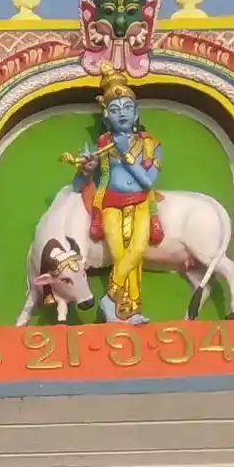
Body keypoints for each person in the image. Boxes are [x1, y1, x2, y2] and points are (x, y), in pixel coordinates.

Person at [61, 70, 161, 322]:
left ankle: (111, 299)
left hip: (140, 201)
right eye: (115, 110)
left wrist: (127, 155)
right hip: (110, 203)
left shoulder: (150, 144)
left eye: (127, 107)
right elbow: (80, 182)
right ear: (106, 116)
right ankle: (126, 312)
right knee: (119, 255)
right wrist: (87, 168)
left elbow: (148, 181)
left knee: (137, 250)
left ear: (136, 113)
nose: (122, 113)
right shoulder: (104, 143)